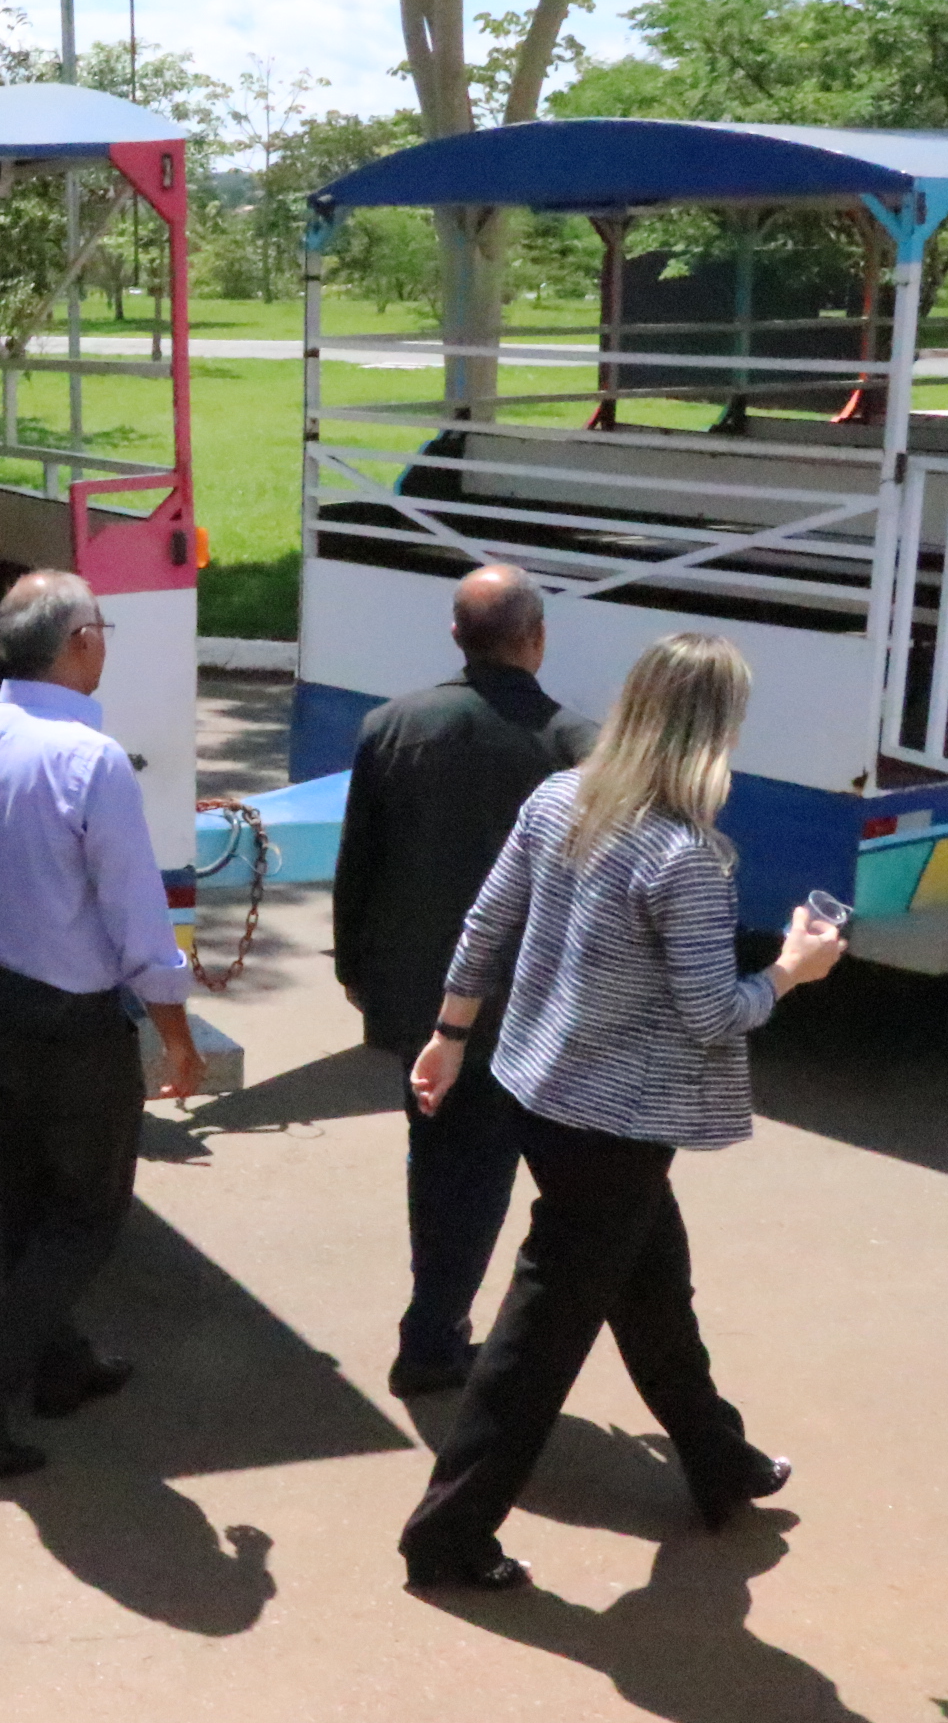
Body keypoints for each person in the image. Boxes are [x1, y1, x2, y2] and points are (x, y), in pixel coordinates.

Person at [398, 633, 842, 1591]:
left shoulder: (560, 800)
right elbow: (713, 1013)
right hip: (617, 1125)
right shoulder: (686, 856)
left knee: (652, 1290)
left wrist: (449, 1033)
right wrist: (791, 971)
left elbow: (486, 925)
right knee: (540, 1339)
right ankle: (446, 1534)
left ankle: (720, 1460)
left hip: (539, 1090)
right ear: (713, 733)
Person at [0, 570, 204, 1478]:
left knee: (31, 1197)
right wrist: (177, 1033)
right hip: (71, 1021)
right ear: (80, 642)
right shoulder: (91, 760)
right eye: (102, 627)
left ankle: (57, 1362)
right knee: (84, 1215)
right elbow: (136, 913)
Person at [333, 563, 597, 1399]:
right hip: (528, 1005)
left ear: (456, 636)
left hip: (420, 995)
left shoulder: (391, 726)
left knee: (439, 1159)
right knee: (498, 1175)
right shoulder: (579, 746)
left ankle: (436, 1324)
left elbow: (358, 865)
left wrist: (354, 969)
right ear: (537, 638)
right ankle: (434, 1336)